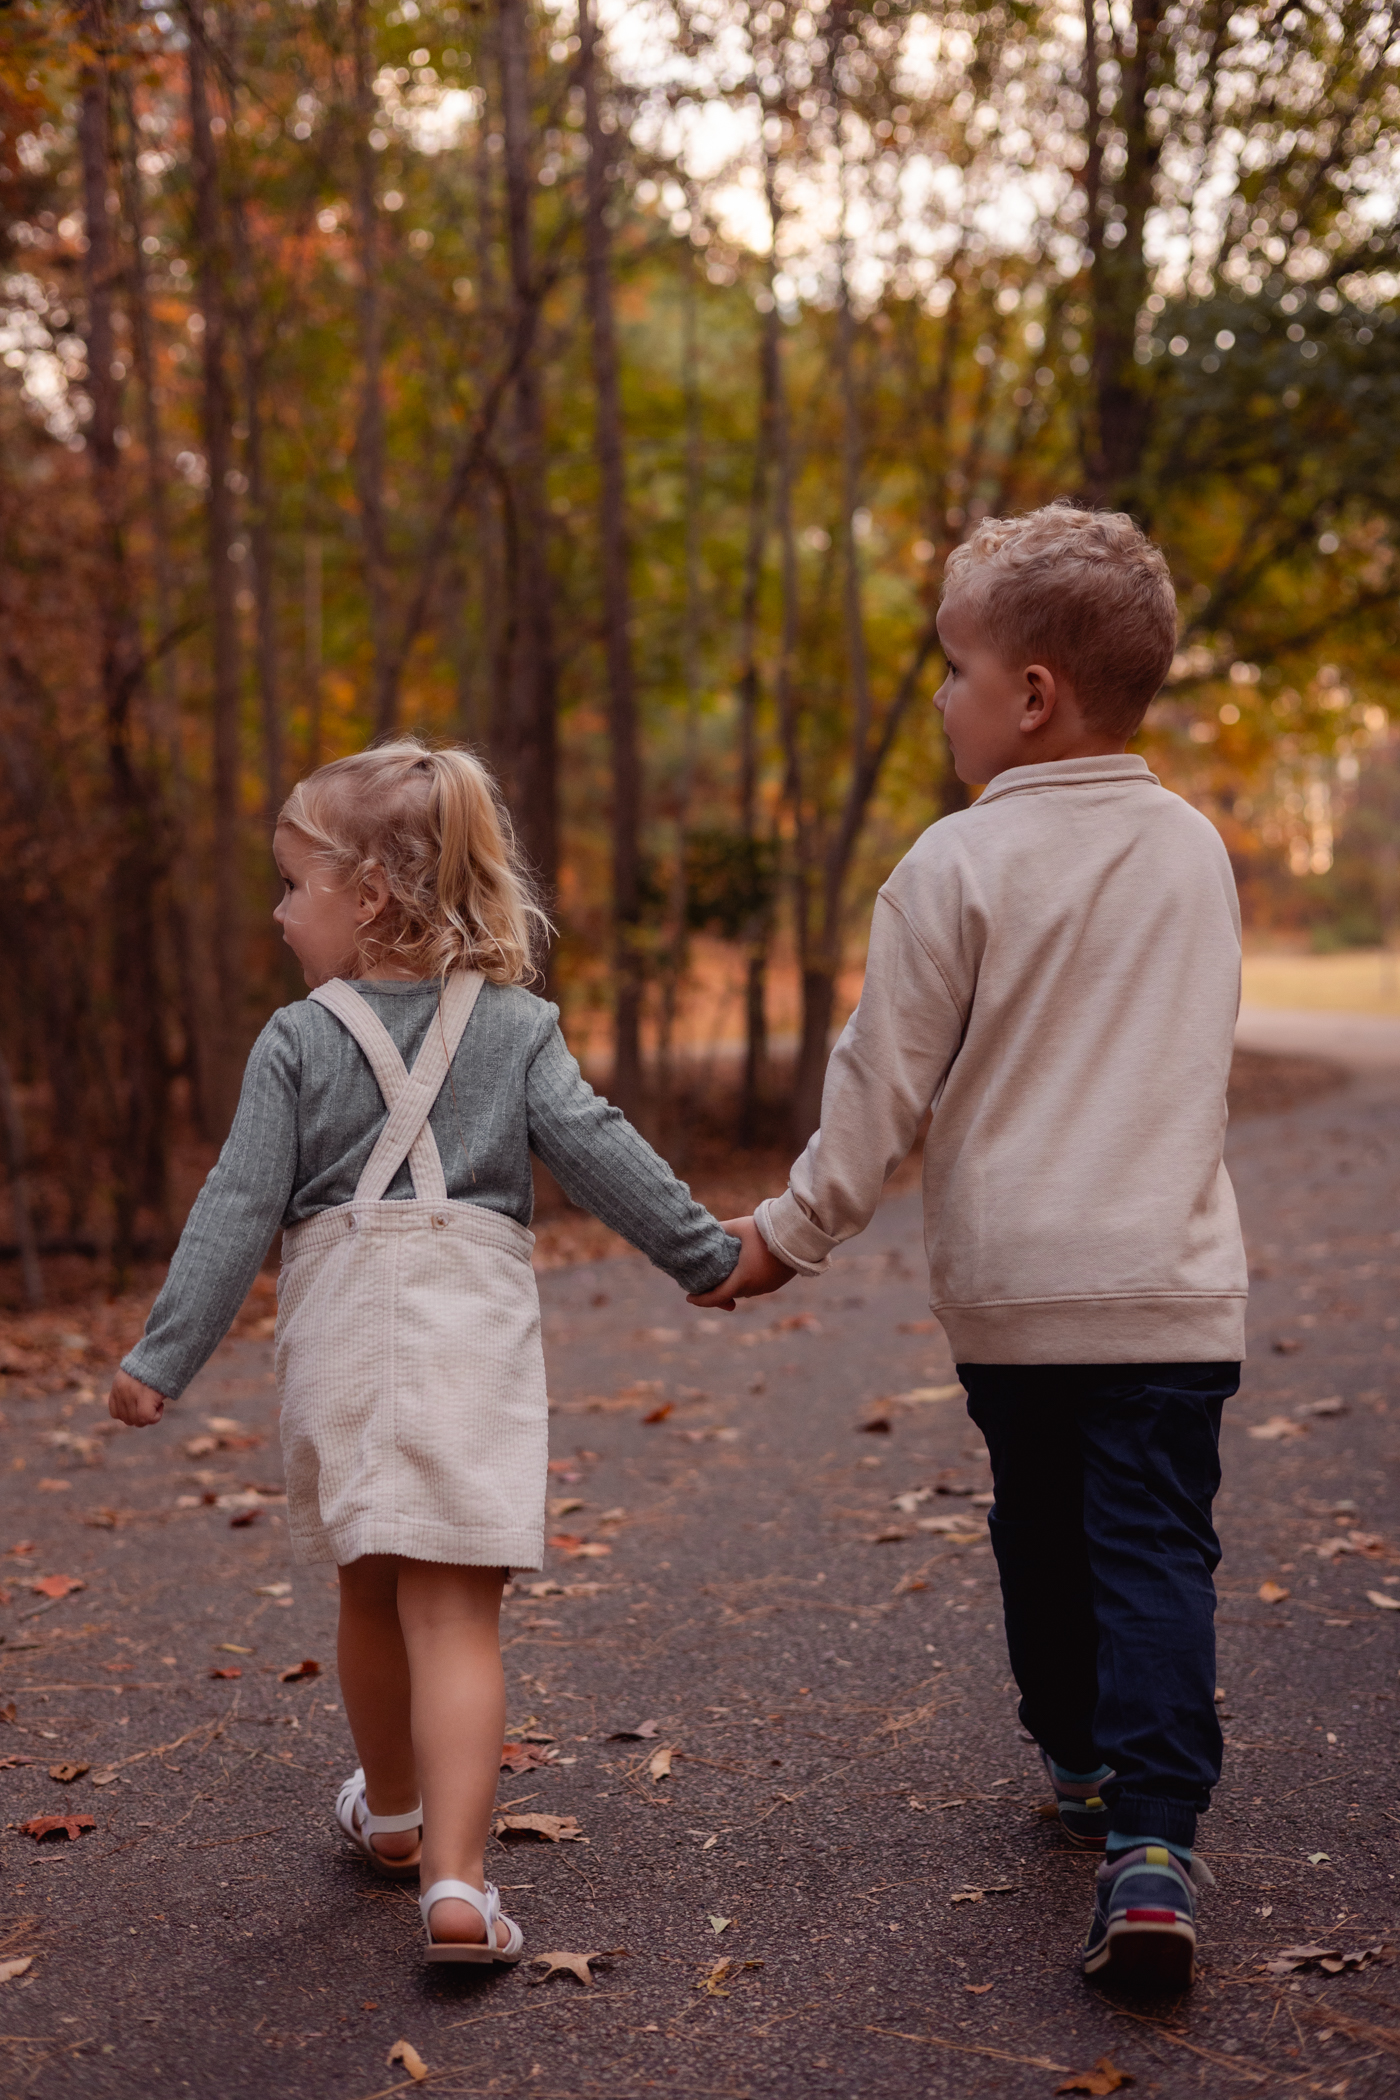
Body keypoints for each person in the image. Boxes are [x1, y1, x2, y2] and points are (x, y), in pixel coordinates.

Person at [691, 505, 1245, 1993]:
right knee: (1153, 1549)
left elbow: (881, 1088)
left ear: (1034, 694)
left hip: (1018, 1295)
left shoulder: (955, 864)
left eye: (953, 669)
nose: (941, 698)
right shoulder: (1193, 850)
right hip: (1171, 1291)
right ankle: (1150, 1839)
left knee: (1044, 1536)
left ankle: (1079, 1760)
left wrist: (785, 1238)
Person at [109, 739, 739, 1966]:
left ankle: (389, 1819)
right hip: (469, 1338)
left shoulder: (295, 1041)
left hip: (343, 1340)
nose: (281, 910)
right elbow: (598, 1147)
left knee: (366, 1580)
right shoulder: (515, 1029)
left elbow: (237, 1207)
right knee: (456, 1613)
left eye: (294, 885)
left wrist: (161, 1357)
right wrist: (704, 1255)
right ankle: (455, 1886)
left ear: (368, 896)